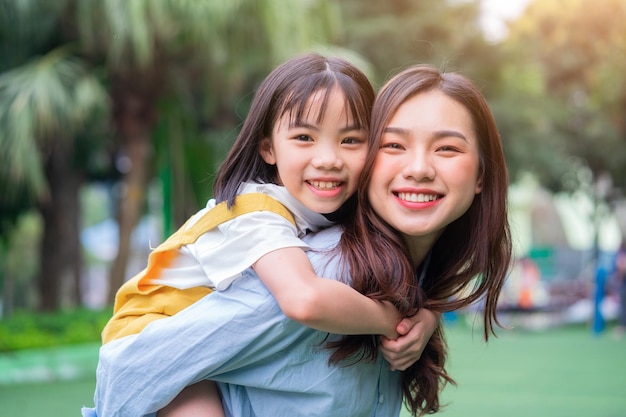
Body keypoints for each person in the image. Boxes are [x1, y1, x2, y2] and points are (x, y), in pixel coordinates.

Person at [82, 63, 511, 417]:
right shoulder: (286, 239)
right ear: (269, 148)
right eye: (394, 144)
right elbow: (139, 364)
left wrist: (424, 312)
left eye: (350, 140)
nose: (418, 168)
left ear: (482, 176)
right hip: (143, 334)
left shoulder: (355, 240)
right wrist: (398, 317)